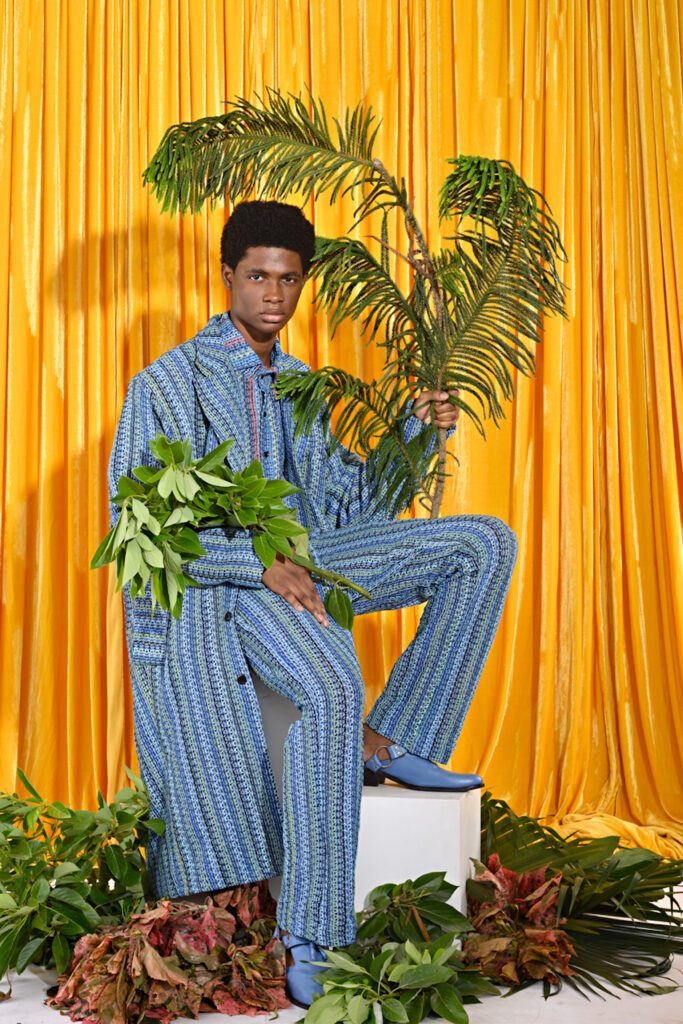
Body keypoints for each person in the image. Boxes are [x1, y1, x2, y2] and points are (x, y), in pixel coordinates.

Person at [109, 200, 517, 1006]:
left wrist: (413, 435)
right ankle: (312, 931)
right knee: (328, 684)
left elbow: (350, 509)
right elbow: (138, 531)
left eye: (289, 279)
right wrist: (256, 563)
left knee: (484, 544)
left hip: (311, 558)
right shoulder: (166, 384)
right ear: (227, 276)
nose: (273, 293)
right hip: (228, 585)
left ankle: (391, 739)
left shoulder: (301, 385)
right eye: (258, 275)